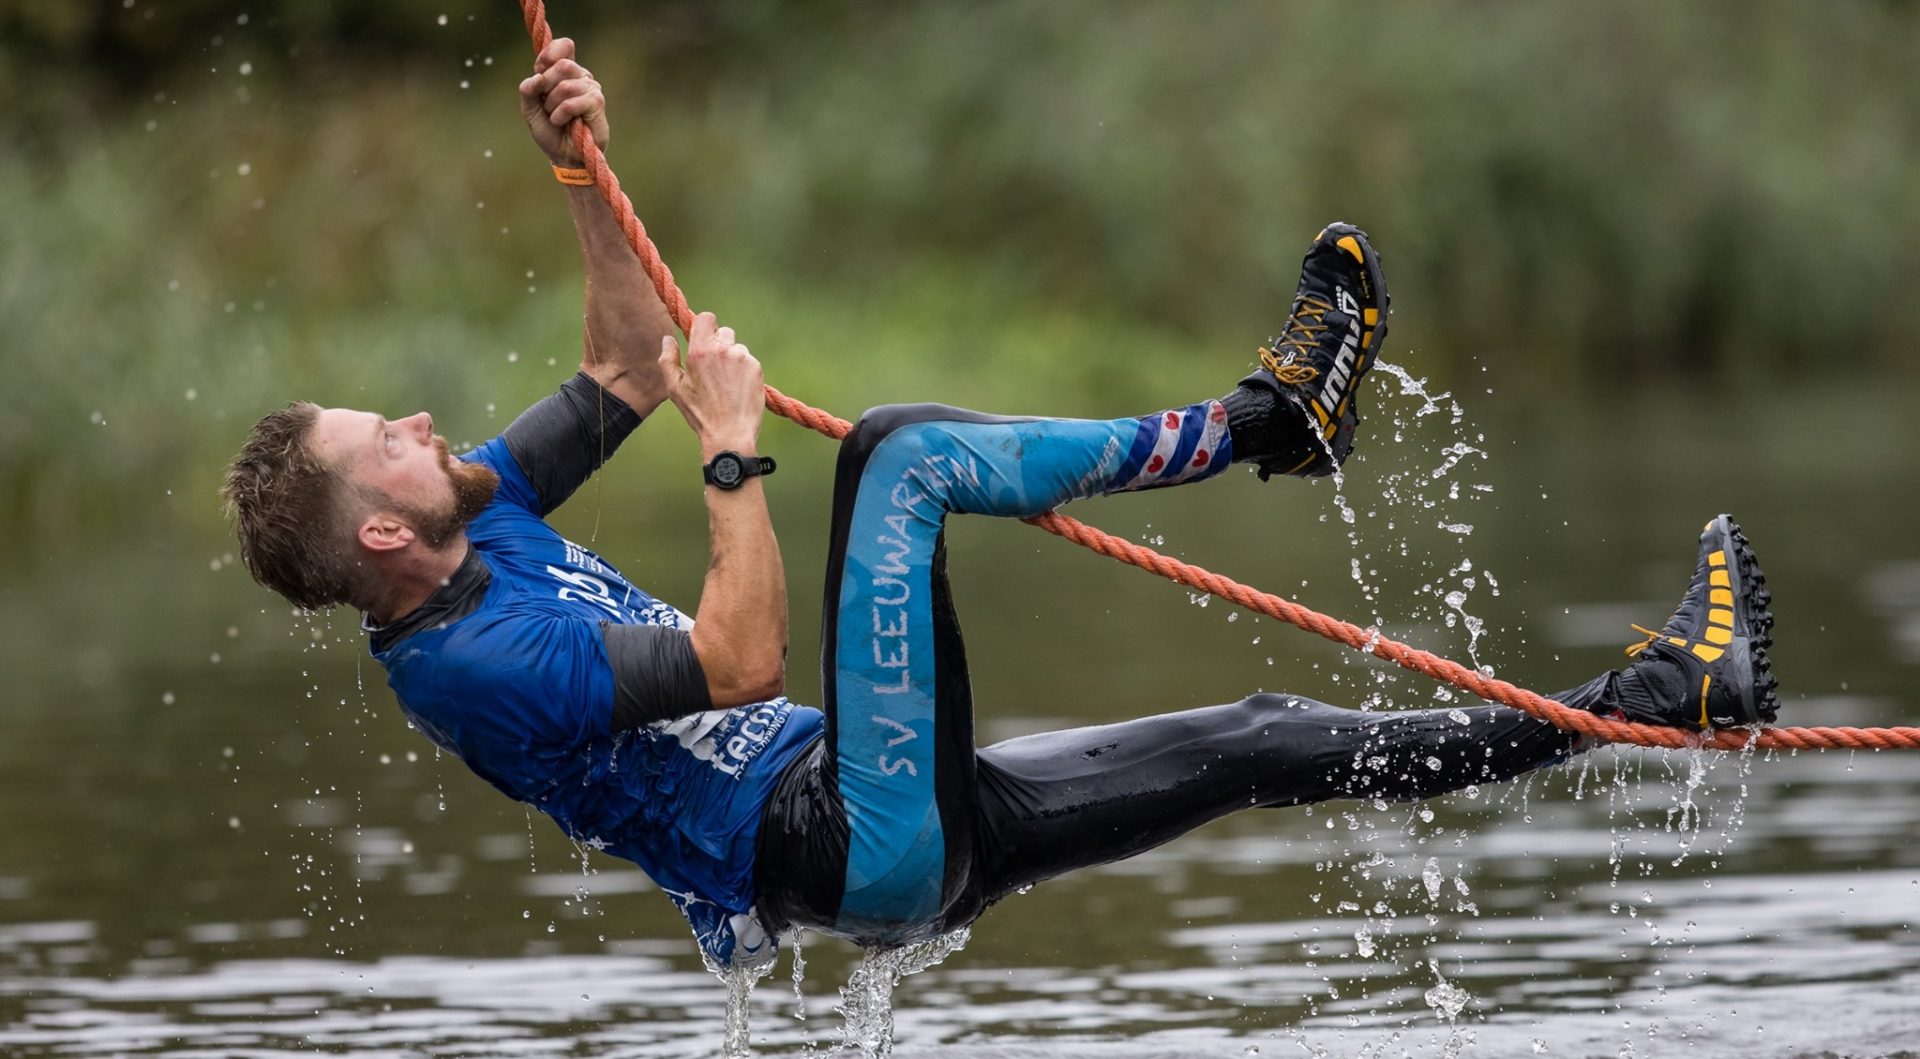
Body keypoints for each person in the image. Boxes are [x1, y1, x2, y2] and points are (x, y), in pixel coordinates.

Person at [222, 41, 1780, 970]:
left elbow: (627, 359)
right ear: (378, 535)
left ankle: (1662, 698)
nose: (428, 425)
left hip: (895, 834)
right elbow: (743, 662)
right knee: (897, 455)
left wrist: (580, 172)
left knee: (1248, 736)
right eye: (394, 438)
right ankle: (1272, 425)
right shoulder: (466, 667)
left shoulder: (471, 513)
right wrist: (729, 454)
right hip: (840, 840)